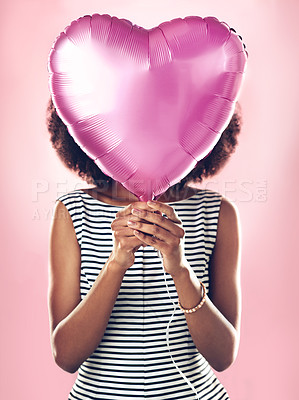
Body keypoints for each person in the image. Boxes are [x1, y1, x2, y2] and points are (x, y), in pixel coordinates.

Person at [47, 99, 242, 400]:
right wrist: (117, 262)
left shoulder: (217, 213)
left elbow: (223, 356)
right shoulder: (72, 212)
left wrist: (180, 269)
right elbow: (66, 356)